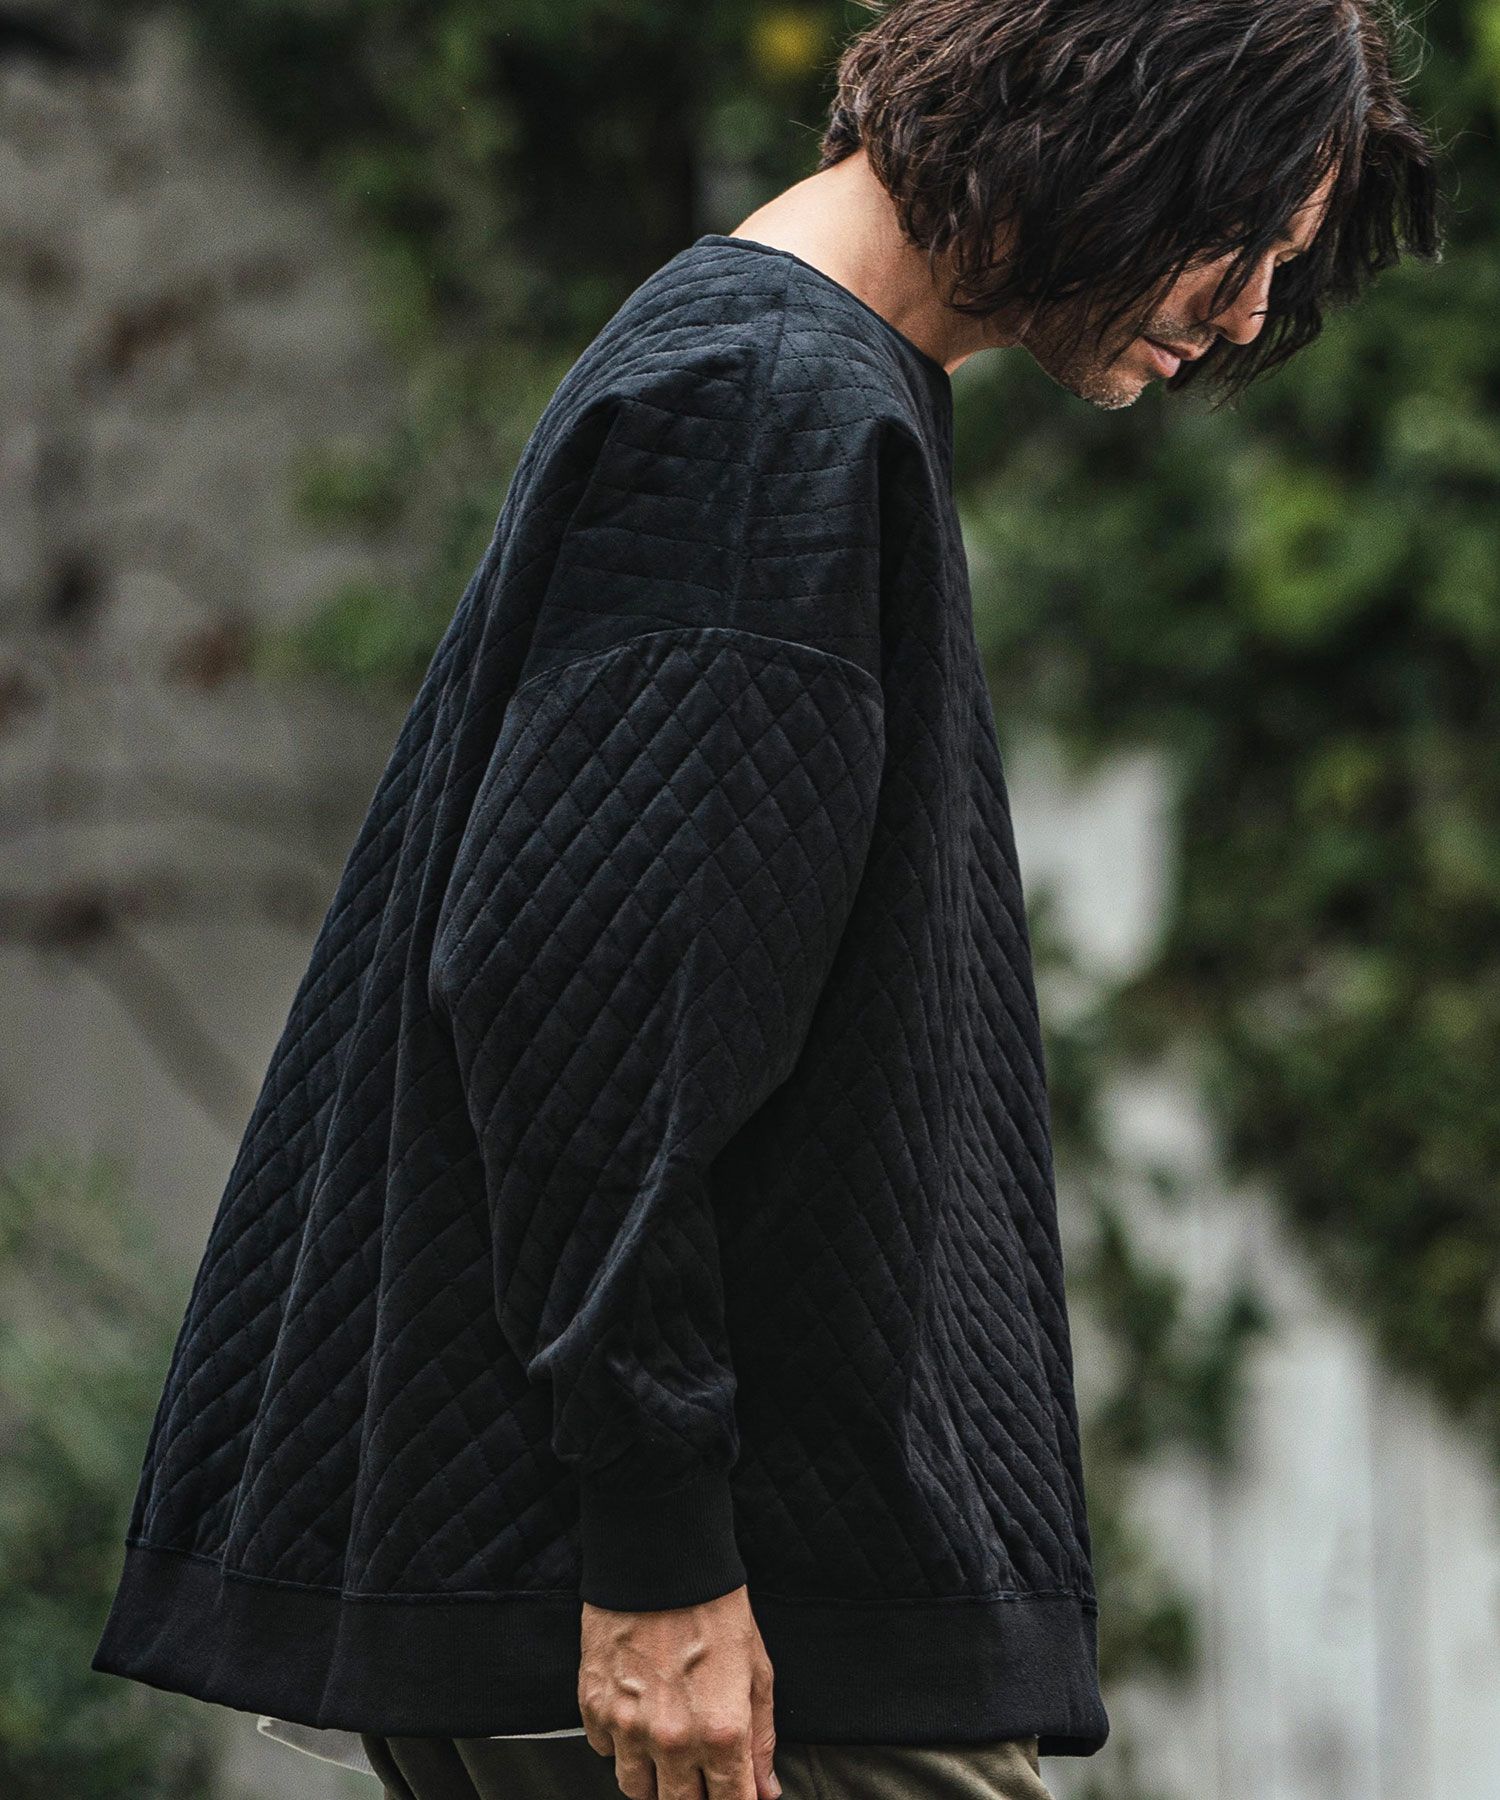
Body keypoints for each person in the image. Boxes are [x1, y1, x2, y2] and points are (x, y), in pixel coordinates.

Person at [90, 3, 1440, 1798]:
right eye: (1243, 238)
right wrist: (661, 1561)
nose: (1252, 312)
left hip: (754, 1600)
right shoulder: (763, 413)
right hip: (728, 1627)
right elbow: (585, 1011)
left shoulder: (788, 383)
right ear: (1112, 128)